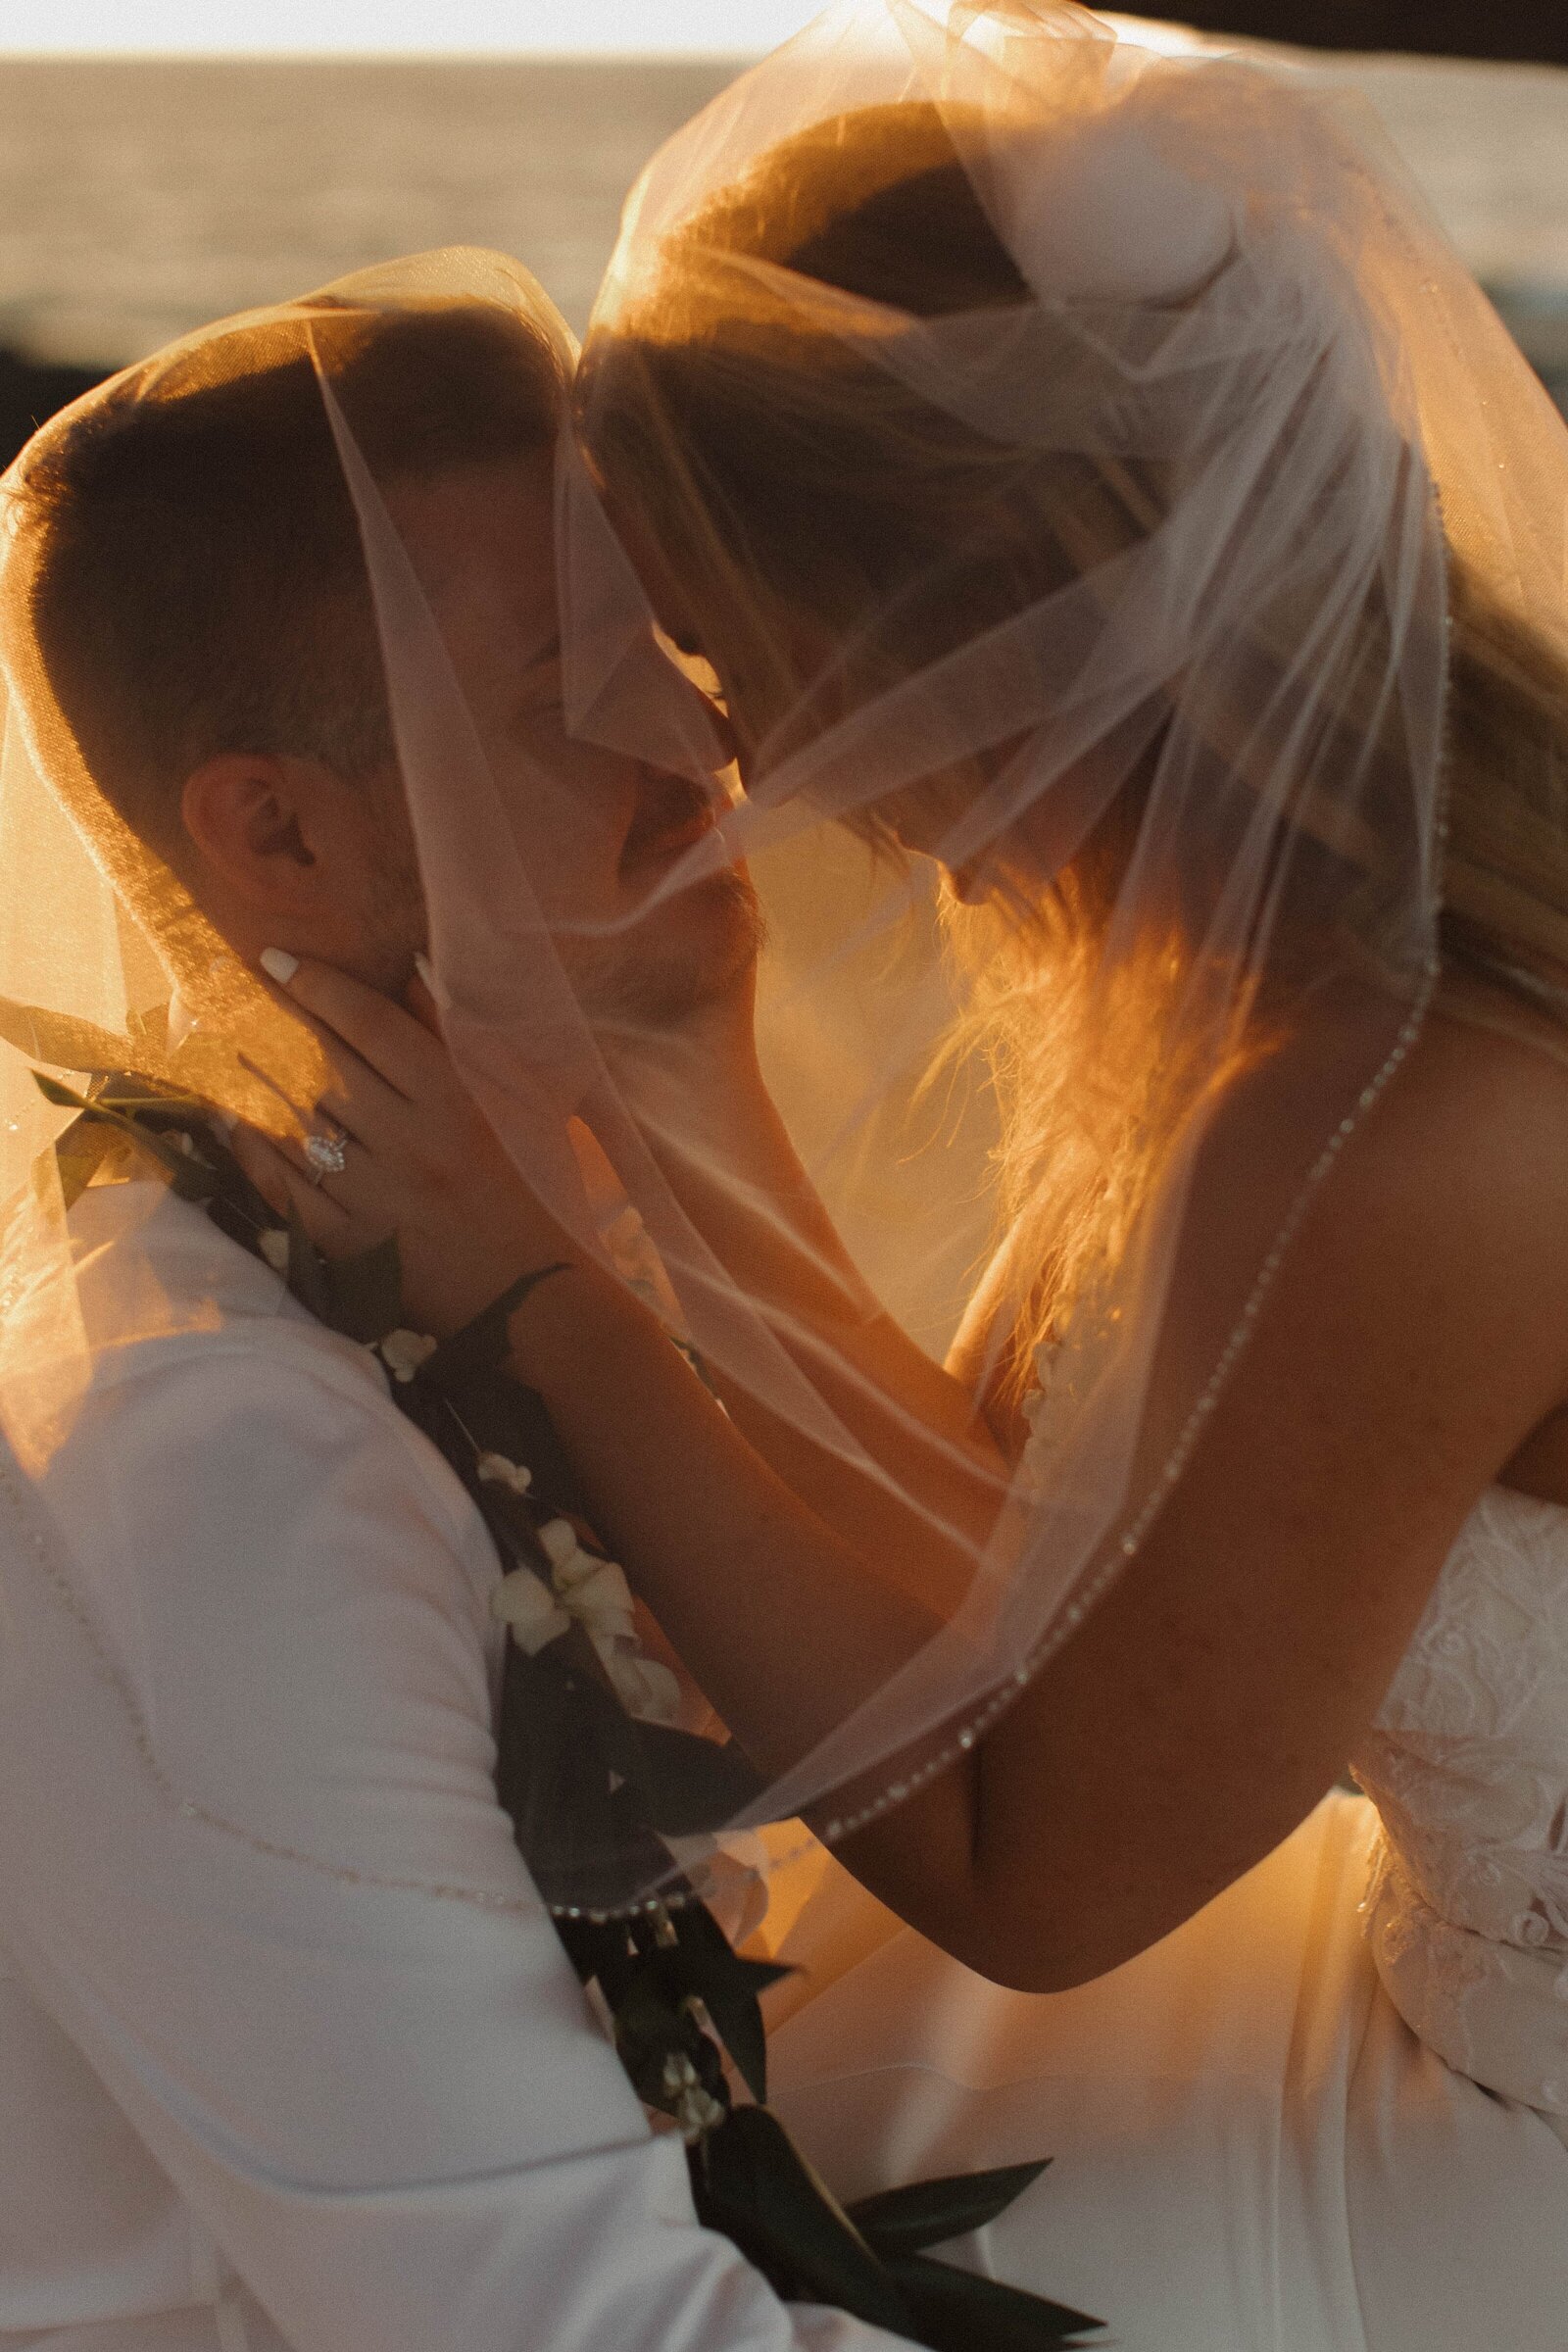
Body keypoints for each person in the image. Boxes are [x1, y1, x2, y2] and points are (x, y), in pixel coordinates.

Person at [225, 7, 1568, 2345]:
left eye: (741, 667)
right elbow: (1001, 1558)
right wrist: (683, 1064)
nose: (747, 763)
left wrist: (549, 1297)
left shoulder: (1416, 1124)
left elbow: (1029, 1873)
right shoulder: (1285, 973)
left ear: (984, 627)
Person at [0, 257, 932, 2352]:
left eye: (676, 655)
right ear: (281, 838)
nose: (708, 753)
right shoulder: (221, 1472)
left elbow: (955, 1733)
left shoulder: (466, 1275)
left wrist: (693, 1076)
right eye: (570, 694)